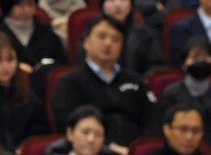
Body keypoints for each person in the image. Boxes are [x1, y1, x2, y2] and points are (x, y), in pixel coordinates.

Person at [51, 14, 157, 146]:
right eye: (102, 36)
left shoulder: (136, 82)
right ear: (86, 42)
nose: (108, 43)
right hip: (93, 152)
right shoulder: (70, 82)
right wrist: (109, 149)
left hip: (135, 153)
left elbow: (154, 121)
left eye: (115, 39)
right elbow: (68, 125)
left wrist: (138, 150)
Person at [0, 32, 48, 150]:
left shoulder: (28, 97)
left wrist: (25, 149)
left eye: (10, 59)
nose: (5, 67)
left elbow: (40, 134)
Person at [0, 0, 68, 75]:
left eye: (30, 4)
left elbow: (62, 65)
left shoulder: (47, 33)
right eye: (20, 5)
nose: (26, 10)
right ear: (8, 5)